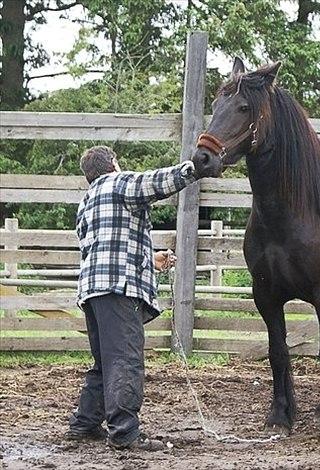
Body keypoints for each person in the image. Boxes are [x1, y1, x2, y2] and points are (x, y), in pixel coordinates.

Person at [65, 145, 197, 450]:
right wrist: (193, 168)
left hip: (94, 292)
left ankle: (84, 424)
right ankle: (125, 433)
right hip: (118, 290)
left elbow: (107, 249)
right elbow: (155, 182)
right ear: (112, 164)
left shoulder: (87, 201)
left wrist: (151, 259)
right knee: (125, 360)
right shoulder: (118, 182)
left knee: (104, 363)